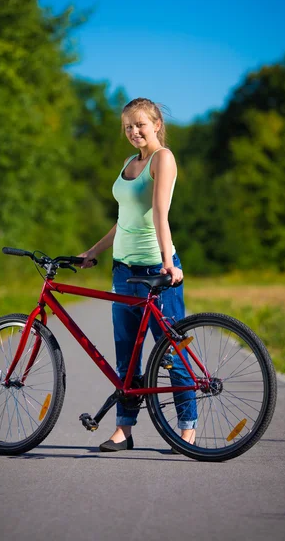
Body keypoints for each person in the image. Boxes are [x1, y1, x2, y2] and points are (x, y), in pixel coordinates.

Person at [79, 97, 197, 451]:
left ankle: (187, 429)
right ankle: (123, 429)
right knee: (127, 353)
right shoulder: (130, 162)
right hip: (123, 270)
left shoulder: (164, 159)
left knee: (173, 350)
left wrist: (168, 262)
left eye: (140, 124)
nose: (134, 131)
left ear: (157, 123)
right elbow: (124, 221)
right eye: (128, 126)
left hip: (156, 269)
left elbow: (160, 214)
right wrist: (93, 252)